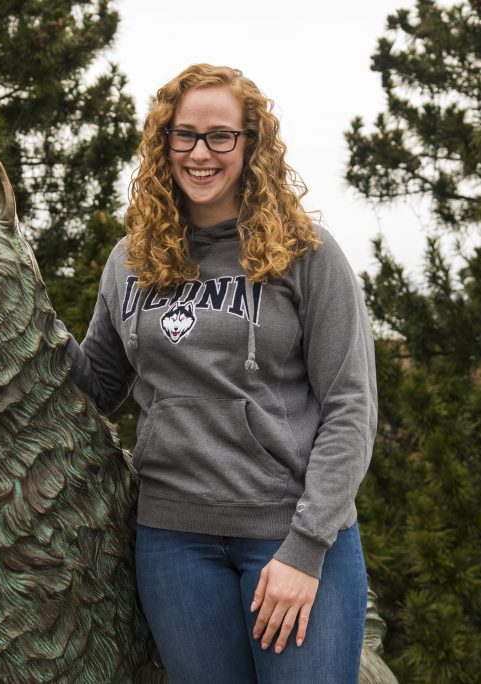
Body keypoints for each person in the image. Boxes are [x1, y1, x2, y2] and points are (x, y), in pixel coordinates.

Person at [65, 64, 377, 683]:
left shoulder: (306, 252)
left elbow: (351, 408)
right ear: (164, 144)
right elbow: (95, 384)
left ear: (251, 144)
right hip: (174, 544)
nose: (200, 153)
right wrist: (13, 312)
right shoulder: (131, 258)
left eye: (220, 136)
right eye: (184, 136)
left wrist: (306, 547)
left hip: (288, 535)